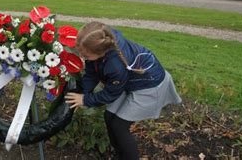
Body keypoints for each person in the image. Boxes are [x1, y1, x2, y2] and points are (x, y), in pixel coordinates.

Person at [65, 21, 182, 160]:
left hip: (149, 86)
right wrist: (84, 91)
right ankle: (121, 154)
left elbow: (110, 94)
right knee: (109, 117)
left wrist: (85, 100)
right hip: (128, 82)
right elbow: (92, 72)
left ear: (101, 52)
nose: (82, 57)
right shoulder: (100, 42)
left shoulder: (115, 65)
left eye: (86, 56)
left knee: (119, 125)